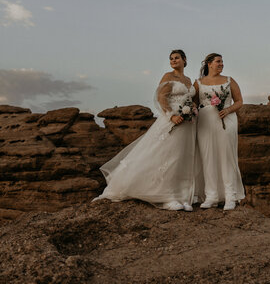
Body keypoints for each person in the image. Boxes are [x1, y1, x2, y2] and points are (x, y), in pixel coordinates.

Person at [93, 50, 197, 211]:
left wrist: (193, 109)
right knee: (166, 155)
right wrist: (171, 116)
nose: (173, 60)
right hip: (173, 120)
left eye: (177, 58)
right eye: (171, 58)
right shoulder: (168, 76)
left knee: (180, 157)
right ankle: (166, 197)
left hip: (187, 123)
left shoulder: (189, 80)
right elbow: (161, 97)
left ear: (184, 60)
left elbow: (190, 99)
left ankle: (181, 195)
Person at [195, 53, 245, 210]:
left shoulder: (229, 80)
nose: (221, 64)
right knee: (208, 156)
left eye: (222, 61)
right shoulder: (199, 83)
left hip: (226, 121)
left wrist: (228, 109)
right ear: (209, 64)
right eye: (218, 61)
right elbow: (194, 104)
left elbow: (239, 101)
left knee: (226, 156)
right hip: (205, 122)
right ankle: (211, 196)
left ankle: (230, 196)